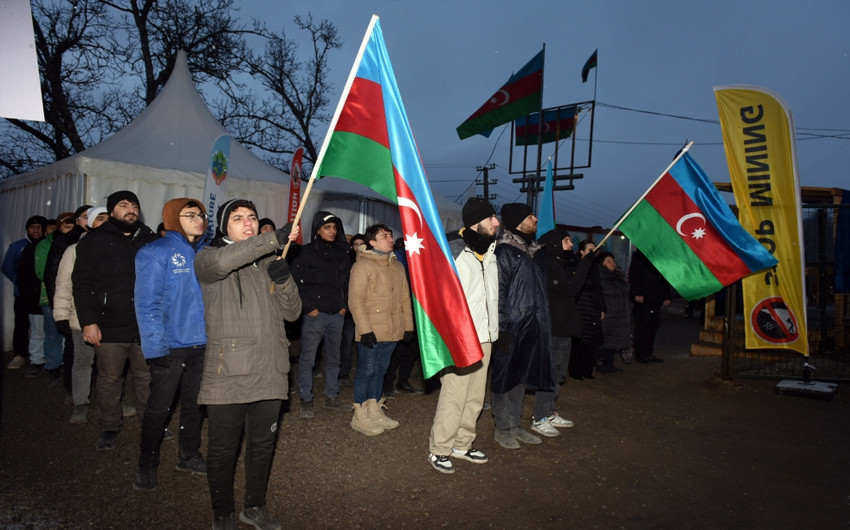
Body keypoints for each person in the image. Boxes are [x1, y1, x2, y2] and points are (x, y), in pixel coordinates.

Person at [194, 198, 301, 530]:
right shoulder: (208, 259)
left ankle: (253, 507)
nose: (248, 222)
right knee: (224, 449)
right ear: (224, 226)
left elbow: (292, 313)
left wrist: (283, 279)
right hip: (230, 373)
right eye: (238, 218)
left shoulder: (269, 260)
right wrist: (272, 238)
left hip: (270, 369)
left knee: (262, 445)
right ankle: (223, 513)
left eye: (252, 217)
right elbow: (228, 259)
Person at [132, 198, 209, 491]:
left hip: (201, 343)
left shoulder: (205, 252)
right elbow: (147, 303)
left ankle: (188, 455)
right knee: (159, 408)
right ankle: (147, 464)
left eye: (200, 214)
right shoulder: (156, 252)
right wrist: (155, 348)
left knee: (194, 405)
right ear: (173, 218)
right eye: (190, 215)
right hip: (171, 345)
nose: (199, 219)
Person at [73, 191, 158, 451]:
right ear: (111, 212)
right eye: (123, 205)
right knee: (110, 379)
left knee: (147, 377)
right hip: (108, 323)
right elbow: (81, 283)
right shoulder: (95, 240)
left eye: (134, 205)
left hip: (144, 323)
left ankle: (151, 424)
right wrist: (88, 321)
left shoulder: (150, 239)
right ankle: (109, 427)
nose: (130, 209)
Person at [427, 198, 499, 474]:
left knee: (475, 396)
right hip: (459, 335)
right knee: (455, 394)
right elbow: (438, 296)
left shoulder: (491, 253)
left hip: (485, 336)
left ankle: (462, 442)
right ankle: (440, 449)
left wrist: (495, 330)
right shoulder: (453, 252)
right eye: (491, 218)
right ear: (475, 222)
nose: (496, 223)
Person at [490, 203, 552, 449]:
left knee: (520, 377)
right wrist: (502, 328)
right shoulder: (505, 251)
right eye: (530, 216)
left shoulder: (531, 251)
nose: (535, 219)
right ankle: (502, 427)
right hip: (511, 327)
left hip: (532, 326)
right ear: (518, 221)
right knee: (503, 378)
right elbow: (499, 292)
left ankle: (515, 424)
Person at [347, 223, 413, 437]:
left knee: (381, 371)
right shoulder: (362, 266)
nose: (390, 238)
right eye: (384, 236)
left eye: (390, 234)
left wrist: (408, 326)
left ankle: (374, 409)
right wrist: (365, 330)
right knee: (366, 370)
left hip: (392, 329)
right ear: (372, 242)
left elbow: (404, 298)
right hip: (372, 330)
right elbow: (355, 301)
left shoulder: (397, 266)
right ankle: (359, 413)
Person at [290, 211, 351, 418]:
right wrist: (309, 307)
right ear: (317, 229)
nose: (332, 231)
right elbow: (296, 282)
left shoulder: (342, 254)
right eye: (327, 228)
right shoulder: (306, 252)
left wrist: (344, 306)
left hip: (337, 314)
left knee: (334, 358)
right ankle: (306, 398)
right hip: (316, 314)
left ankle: (331, 396)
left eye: (334, 228)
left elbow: (346, 283)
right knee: (308, 358)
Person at [532, 227, 591, 437]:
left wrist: (581, 262)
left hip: (563, 326)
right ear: (557, 243)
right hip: (553, 326)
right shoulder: (549, 264)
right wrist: (585, 264)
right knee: (549, 372)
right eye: (567, 241)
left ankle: (549, 411)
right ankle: (539, 416)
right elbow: (570, 288)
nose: (571, 245)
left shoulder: (559, 262)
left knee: (557, 372)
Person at [54, 206, 108, 424]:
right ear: (90, 223)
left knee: (112, 366)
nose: (105, 223)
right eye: (99, 219)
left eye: (108, 219)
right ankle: (80, 402)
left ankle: (114, 402)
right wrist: (61, 316)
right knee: (83, 362)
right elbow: (63, 285)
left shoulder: (121, 249)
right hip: (81, 318)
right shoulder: (74, 250)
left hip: (113, 318)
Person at [45, 205, 92, 398]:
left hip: (97, 311)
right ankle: (73, 392)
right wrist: (60, 312)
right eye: (84, 217)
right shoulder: (65, 243)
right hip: (74, 309)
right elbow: (55, 278)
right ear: (77, 220)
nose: (88, 220)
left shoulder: (107, 242)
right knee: (75, 353)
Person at [34, 211, 75, 386]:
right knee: (53, 334)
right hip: (52, 295)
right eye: (66, 226)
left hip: (73, 296)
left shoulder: (77, 241)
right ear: (59, 227)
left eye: (72, 226)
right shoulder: (46, 244)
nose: (70, 230)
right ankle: (53, 367)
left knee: (72, 336)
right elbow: (43, 271)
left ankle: (68, 366)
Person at [382, 237, 423, 398]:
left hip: (416, 307)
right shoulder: (398, 257)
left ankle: (403, 381)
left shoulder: (419, 255)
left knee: (411, 348)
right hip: (400, 308)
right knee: (396, 348)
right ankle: (387, 383)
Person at [15, 216, 48, 376]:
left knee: (53, 332)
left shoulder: (50, 246)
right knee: (37, 332)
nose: (36, 231)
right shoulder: (26, 249)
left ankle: (54, 361)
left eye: (39, 227)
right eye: (32, 227)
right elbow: (21, 275)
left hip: (49, 297)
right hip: (33, 299)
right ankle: (36, 360)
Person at [569, 239, 605, 380]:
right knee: (579, 341)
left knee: (590, 340)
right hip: (580, 307)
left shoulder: (595, 267)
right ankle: (575, 370)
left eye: (595, 250)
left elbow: (599, 290)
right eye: (590, 250)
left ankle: (587, 370)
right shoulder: (576, 265)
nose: (593, 252)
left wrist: (602, 308)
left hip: (592, 307)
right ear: (582, 252)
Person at [629, 249, 672, 363]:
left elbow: (664, 276)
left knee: (653, 325)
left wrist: (666, 296)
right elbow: (634, 275)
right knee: (642, 325)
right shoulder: (639, 256)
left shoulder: (658, 256)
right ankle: (640, 353)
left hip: (655, 297)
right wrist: (637, 293)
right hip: (644, 297)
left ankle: (648, 352)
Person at [597, 251, 630, 373]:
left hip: (618, 314)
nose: (612, 263)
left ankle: (609, 364)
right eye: (608, 261)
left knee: (614, 341)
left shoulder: (618, 277)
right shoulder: (600, 277)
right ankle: (601, 363)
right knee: (605, 340)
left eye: (613, 261)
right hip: (607, 314)